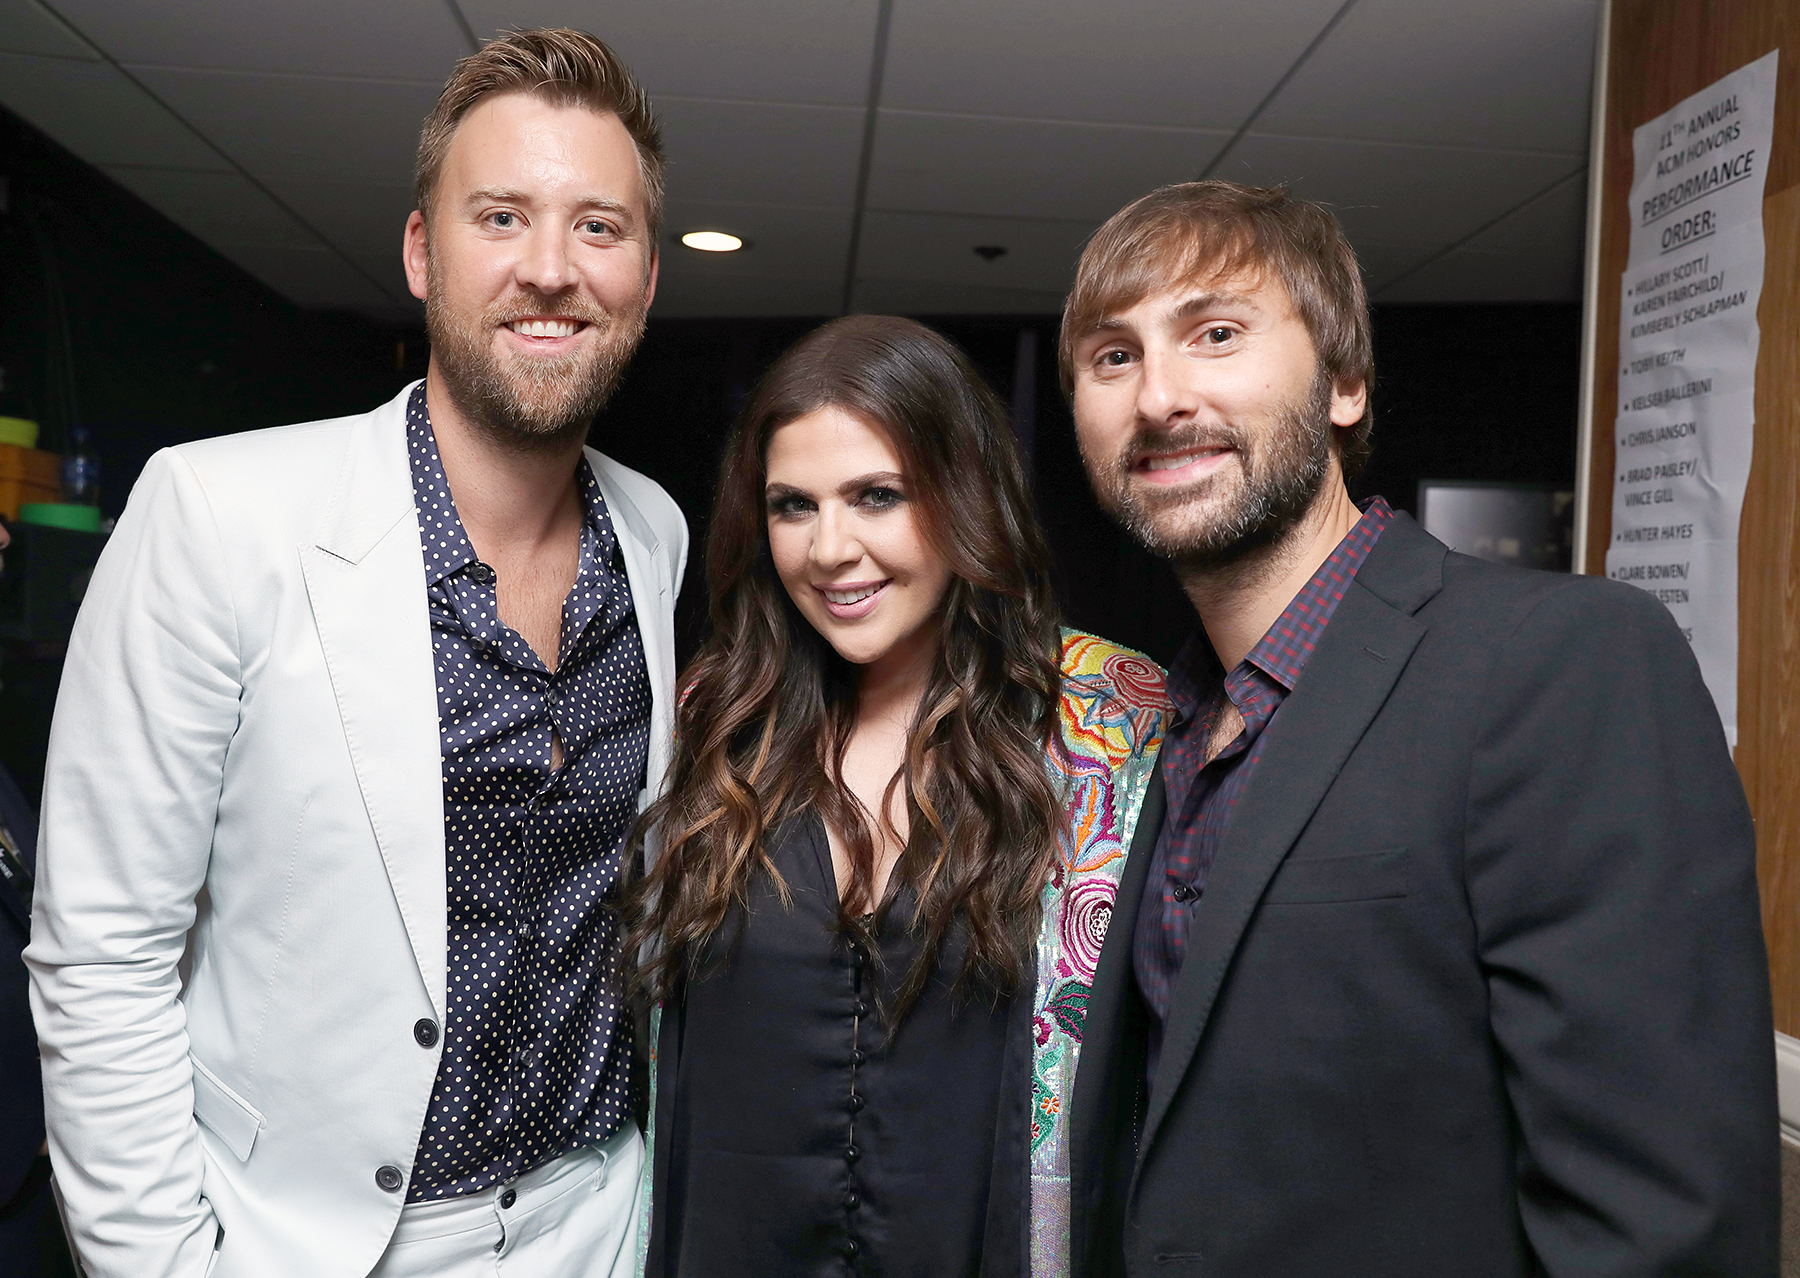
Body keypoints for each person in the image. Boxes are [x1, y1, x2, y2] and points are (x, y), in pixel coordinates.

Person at [26, 29, 686, 1278]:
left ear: (645, 277)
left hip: (601, 1216)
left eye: (598, 227)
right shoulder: (219, 515)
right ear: (424, 253)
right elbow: (101, 955)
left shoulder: (653, 534)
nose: (551, 268)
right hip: (315, 1242)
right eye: (502, 217)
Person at [1061, 181, 1778, 1276]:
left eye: (1216, 334)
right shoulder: (1156, 721)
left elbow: (1669, 1219)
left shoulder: (1561, 661)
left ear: (1345, 384)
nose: (1159, 396)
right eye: (1113, 357)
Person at [631, 315, 1167, 1278]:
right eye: (793, 506)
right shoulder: (714, 717)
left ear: (965, 494)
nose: (829, 549)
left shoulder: (1109, 722)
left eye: (877, 496)